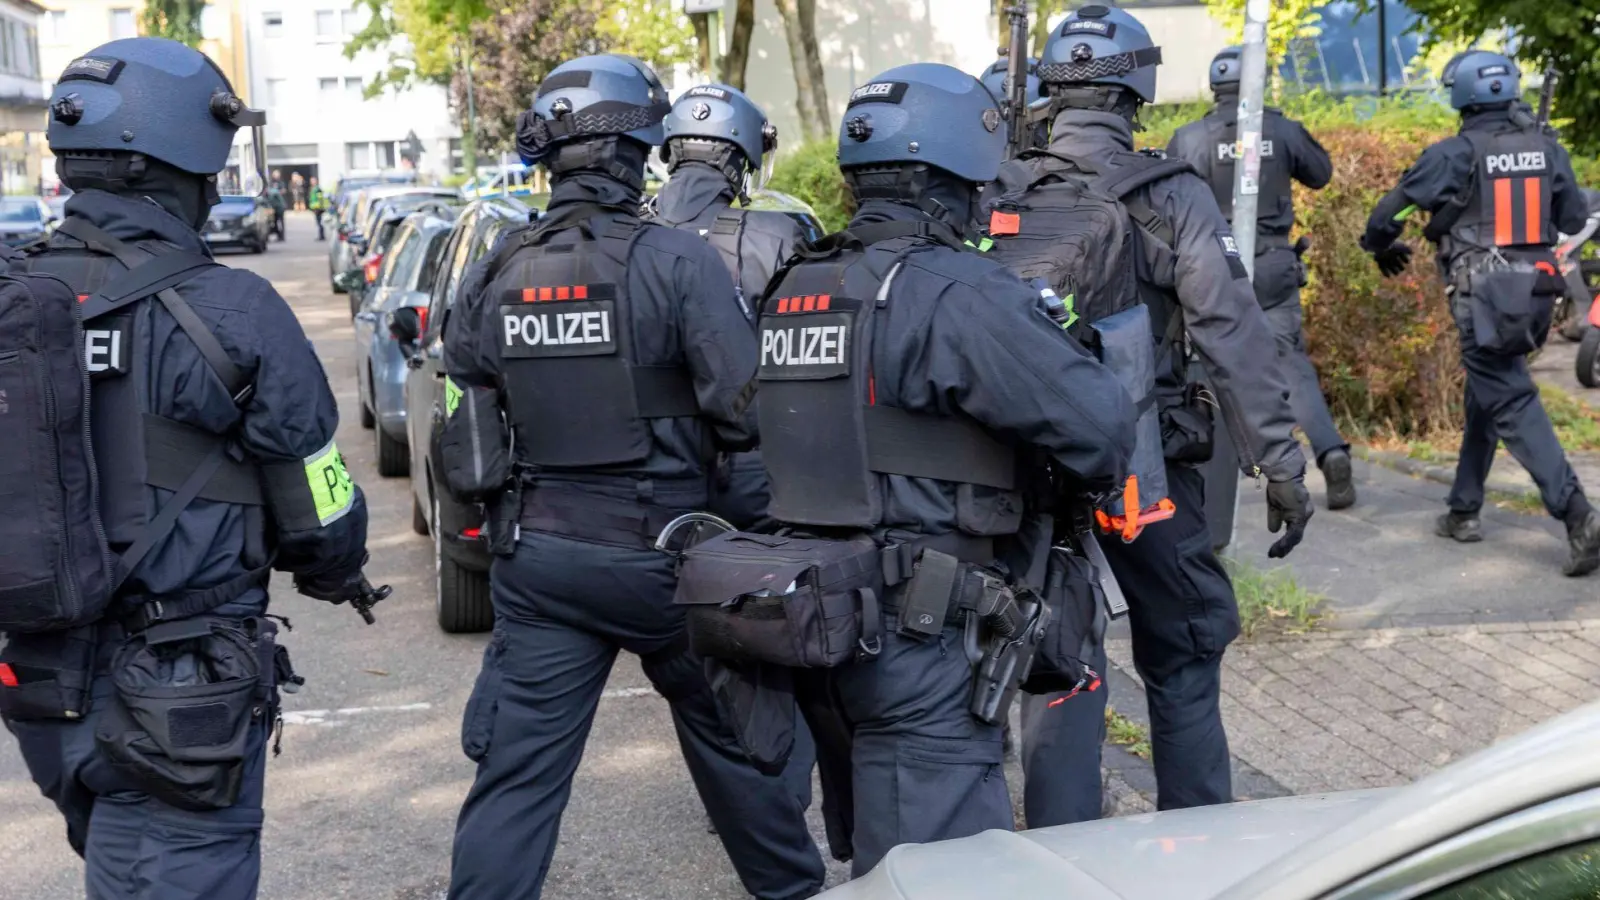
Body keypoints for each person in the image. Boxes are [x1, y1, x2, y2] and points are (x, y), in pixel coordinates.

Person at [693, 62, 1138, 876]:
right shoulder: (956, 291)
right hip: (921, 637)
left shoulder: (804, 282)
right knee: (939, 877)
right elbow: (1101, 429)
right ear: (961, 174)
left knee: (880, 861)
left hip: (824, 628)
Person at [438, 54, 826, 900]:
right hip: (668, 558)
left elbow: (464, 402)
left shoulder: (498, 266)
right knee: (739, 757)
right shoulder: (678, 263)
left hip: (540, 559)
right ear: (641, 146)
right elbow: (744, 410)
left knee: (516, 784)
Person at [0, 38, 380, 899]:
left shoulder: (18, 302)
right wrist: (338, 571)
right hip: (182, 699)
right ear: (188, 161)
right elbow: (321, 503)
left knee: (122, 870)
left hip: (45, 690)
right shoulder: (231, 308)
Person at [978, 4, 1313, 826]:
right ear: (1139, 88)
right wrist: (1281, 464)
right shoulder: (1168, 193)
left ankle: (1055, 850)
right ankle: (1198, 847)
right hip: (1141, 469)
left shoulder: (994, 189)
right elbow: (1233, 337)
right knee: (1186, 643)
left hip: (1014, 467)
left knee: (1049, 652)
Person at [1360, 51, 1600, 576]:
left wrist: (1380, 246)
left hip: (1483, 296)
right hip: (1537, 294)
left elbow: (1390, 213)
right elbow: (1575, 217)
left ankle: (1578, 514)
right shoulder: (1546, 147)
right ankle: (1463, 508)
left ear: (1460, 94)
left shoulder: (1454, 153)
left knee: (1510, 399)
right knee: (1487, 393)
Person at [1168, 46, 1355, 510]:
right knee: (1291, 365)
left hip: (1213, 268)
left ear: (1215, 87)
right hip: (1273, 263)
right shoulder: (1281, 129)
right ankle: (1330, 452)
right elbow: (1322, 173)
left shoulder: (1190, 138)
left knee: (1215, 364)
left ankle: (1221, 486)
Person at [649, 83, 813, 529]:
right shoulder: (774, 235)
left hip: (646, 473)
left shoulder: (626, 233)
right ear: (740, 159)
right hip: (749, 475)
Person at [266, 168, 286, 241]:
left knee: (281, 222)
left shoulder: (281, 183)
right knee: (274, 222)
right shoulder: (271, 183)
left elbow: (283, 191)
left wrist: (277, 192)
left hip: (280, 206)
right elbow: (268, 192)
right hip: (273, 206)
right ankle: (278, 234)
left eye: (277, 175)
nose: (276, 176)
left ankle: (282, 236)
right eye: (275, 175)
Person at [308, 176, 329, 241]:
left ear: (316, 181)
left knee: (320, 223)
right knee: (318, 223)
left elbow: (320, 199)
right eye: (311, 180)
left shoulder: (317, 189)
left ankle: (322, 236)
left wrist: (319, 208)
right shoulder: (313, 188)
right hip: (315, 208)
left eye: (313, 180)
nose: (312, 182)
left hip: (318, 209)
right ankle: (321, 235)